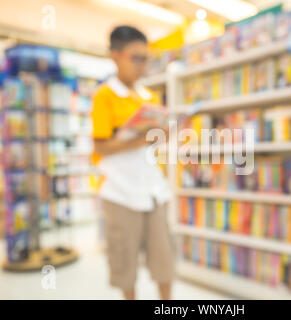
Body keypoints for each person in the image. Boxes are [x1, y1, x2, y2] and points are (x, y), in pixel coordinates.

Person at [91, 25, 174, 300]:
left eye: (145, 58)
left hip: (153, 191)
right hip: (120, 193)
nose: (142, 65)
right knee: (125, 266)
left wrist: (163, 134)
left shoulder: (149, 97)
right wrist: (139, 140)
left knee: (165, 263)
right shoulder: (104, 96)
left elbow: (155, 142)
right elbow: (100, 146)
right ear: (115, 55)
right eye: (135, 58)